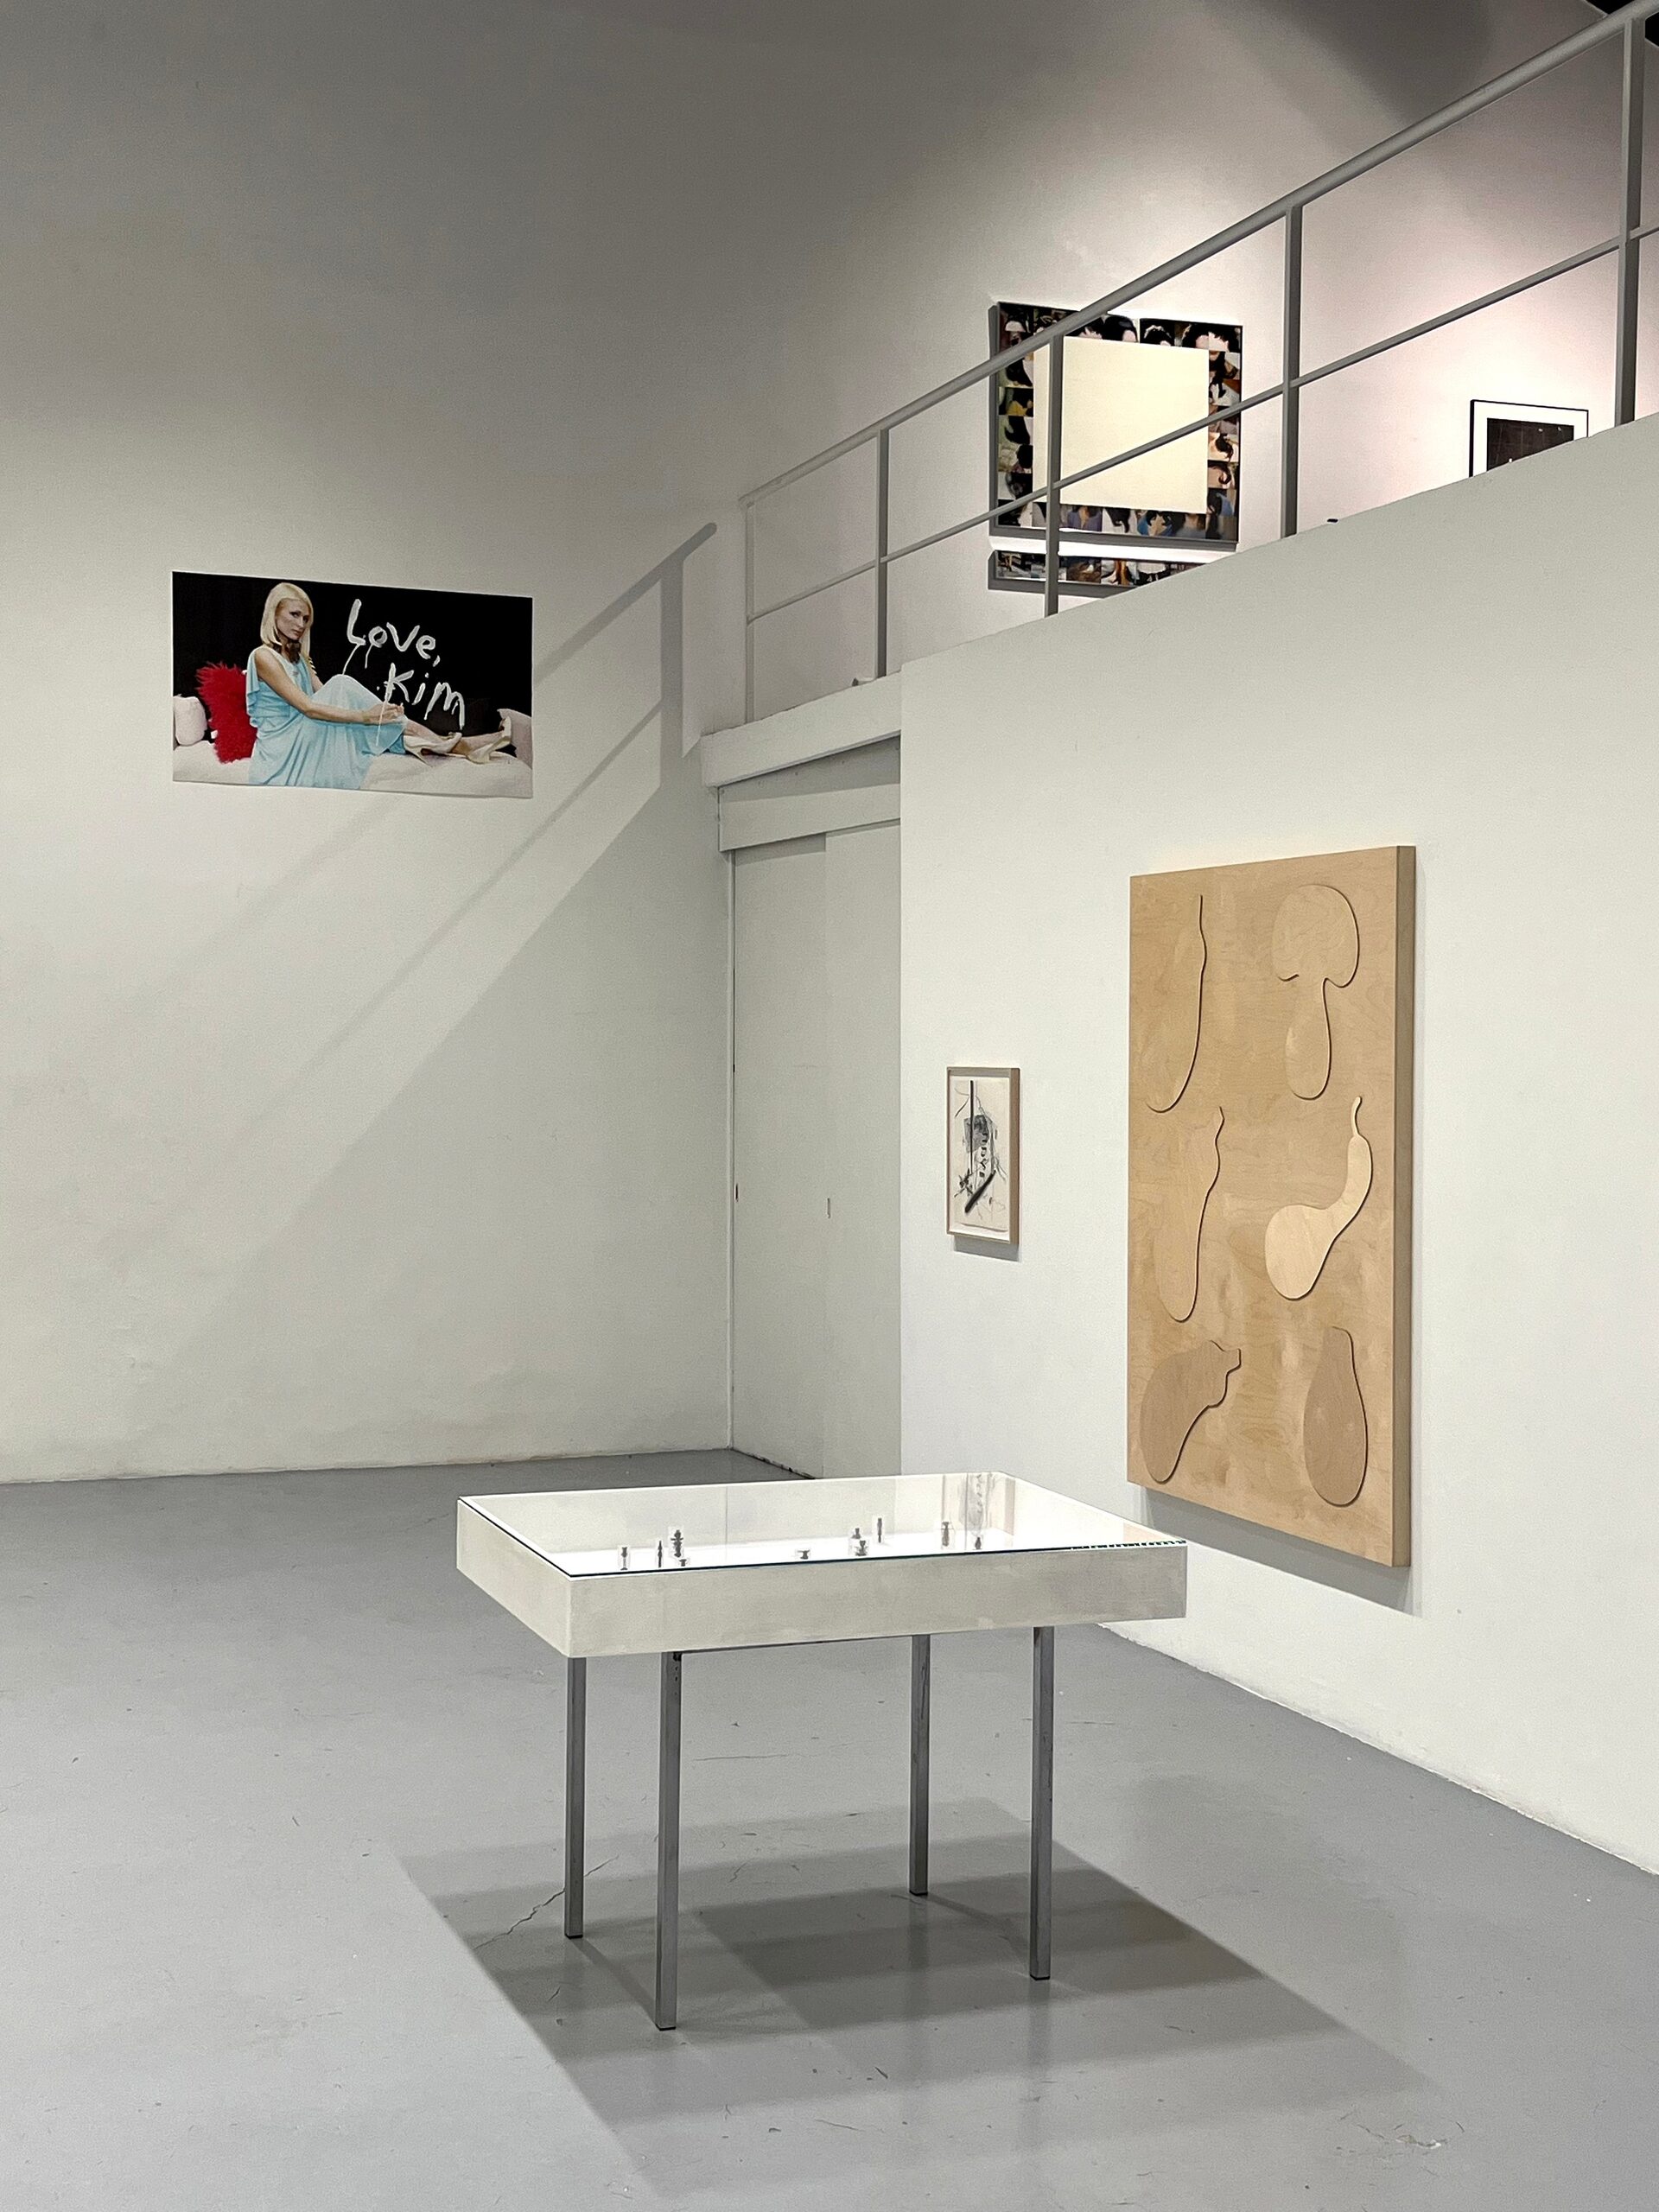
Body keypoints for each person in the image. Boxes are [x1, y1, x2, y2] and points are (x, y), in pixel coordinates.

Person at [245, 583, 410, 791]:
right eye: (294, 614)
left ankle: (410, 730)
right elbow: (308, 708)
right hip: (281, 750)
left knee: (342, 688)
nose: (301, 624)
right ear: (274, 613)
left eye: (305, 619)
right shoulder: (262, 656)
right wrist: (366, 716)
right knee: (341, 684)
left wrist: (379, 713)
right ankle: (416, 734)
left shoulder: (300, 659)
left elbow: (330, 697)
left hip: (302, 735)